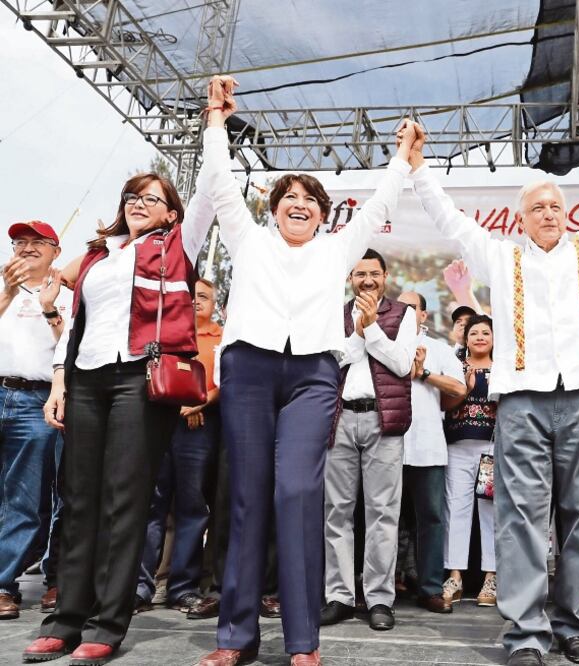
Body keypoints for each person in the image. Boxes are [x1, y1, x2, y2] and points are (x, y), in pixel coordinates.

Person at [408, 104, 579, 666]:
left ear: (568, 214)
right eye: (536, 207)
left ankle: (575, 622)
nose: (547, 213)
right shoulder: (500, 255)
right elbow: (449, 221)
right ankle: (526, 635)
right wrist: (417, 169)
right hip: (523, 403)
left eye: (555, 206)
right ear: (520, 219)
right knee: (521, 518)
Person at [193, 77, 415, 666]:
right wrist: (216, 121)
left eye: (310, 199)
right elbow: (218, 184)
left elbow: (381, 205)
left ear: (321, 213)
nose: (298, 204)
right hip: (248, 370)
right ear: (273, 207)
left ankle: (302, 641)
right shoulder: (248, 239)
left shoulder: (337, 250)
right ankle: (234, 637)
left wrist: (400, 159)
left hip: (314, 376)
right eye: (288, 196)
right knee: (245, 497)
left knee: (297, 491)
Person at [21, 173, 214, 666]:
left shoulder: (178, 243)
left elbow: (211, 188)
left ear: (172, 213)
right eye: (132, 196)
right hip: (86, 377)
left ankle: (108, 623)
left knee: (124, 501)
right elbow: (76, 326)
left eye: (152, 198)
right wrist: (60, 381)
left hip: (139, 379)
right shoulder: (97, 254)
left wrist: (215, 119)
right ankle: (65, 619)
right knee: (79, 499)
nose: (138, 204)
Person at [321, 250, 418, 633]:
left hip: (383, 420)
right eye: (359, 273)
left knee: (383, 514)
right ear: (350, 278)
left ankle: (379, 598)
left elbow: (401, 364)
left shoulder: (403, 315)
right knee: (337, 512)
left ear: (385, 276)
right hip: (340, 418)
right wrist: (360, 332)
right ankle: (340, 597)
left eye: (373, 273)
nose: (367, 280)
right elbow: (333, 358)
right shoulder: (334, 312)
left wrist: (370, 329)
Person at [135, 278, 224, 616]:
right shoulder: (165, 334)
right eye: (192, 296)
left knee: (192, 507)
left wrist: (198, 403)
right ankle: (140, 587)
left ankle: (183, 588)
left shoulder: (222, 338)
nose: (197, 301)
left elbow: (226, 382)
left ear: (214, 303)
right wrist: (177, 406)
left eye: (204, 296)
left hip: (200, 429)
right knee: (152, 506)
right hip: (160, 423)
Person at [0, 221, 68, 621]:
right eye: (19, 242)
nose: (26, 248)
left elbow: (71, 347)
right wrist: (8, 292)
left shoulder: (69, 294)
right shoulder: (2, 287)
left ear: (56, 251)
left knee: (24, 499)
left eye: (37, 242)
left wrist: (49, 307)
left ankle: (3, 584)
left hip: (37, 400)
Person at [396, 290, 465, 613]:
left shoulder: (437, 349)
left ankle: (430, 588)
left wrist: (424, 374)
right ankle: (380, 588)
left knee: (431, 519)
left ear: (424, 315)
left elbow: (459, 389)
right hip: (386, 446)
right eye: (400, 308)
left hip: (427, 447)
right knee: (383, 519)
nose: (406, 313)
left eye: (412, 308)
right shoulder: (382, 344)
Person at [441, 315, 499, 607]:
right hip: (457, 446)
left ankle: (491, 577)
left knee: (490, 513)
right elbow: (444, 404)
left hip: (491, 449)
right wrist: (463, 388)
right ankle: (455, 576)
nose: (479, 337)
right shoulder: (456, 366)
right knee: (456, 510)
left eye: (485, 332)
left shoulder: (502, 369)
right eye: (473, 332)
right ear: (466, 339)